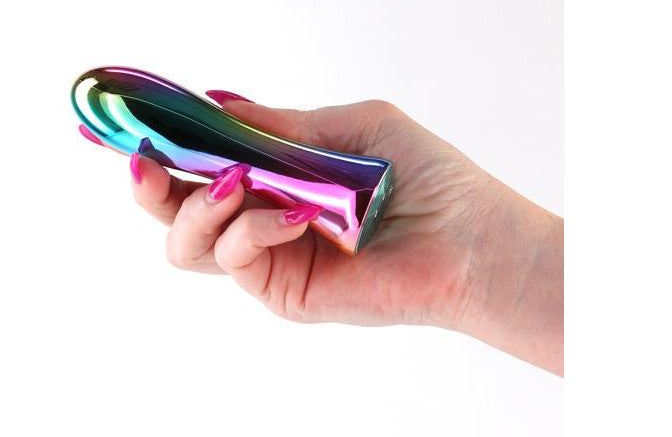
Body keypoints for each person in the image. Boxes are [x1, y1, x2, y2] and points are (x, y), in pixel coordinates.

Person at [79, 90, 564, 375]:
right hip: (349, 200)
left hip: (354, 195)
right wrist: (469, 273)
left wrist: (475, 251)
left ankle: (335, 201)